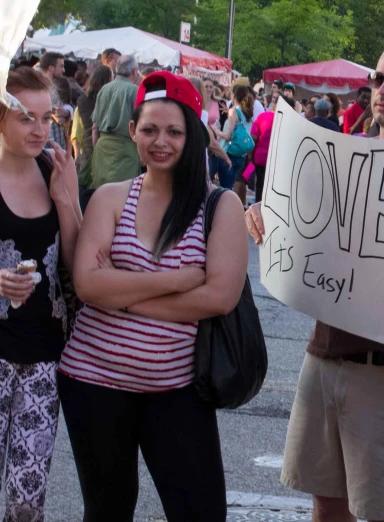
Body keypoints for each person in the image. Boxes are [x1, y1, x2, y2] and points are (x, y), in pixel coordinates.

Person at [246, 34, 384, 522]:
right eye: (377, 78)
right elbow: (301, 222)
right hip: (323, 355)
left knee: (382, 513)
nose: (383, 90)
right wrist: (264, 214)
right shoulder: (343, 151)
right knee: (325, 505)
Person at [57, 71, 247, 521]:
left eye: (175, 131)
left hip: (176, 388)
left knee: (200, 513)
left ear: (194, 135)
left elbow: (219, 296)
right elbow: (87, 284)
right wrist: (179, 280)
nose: (161, 141)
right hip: (93, 380)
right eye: (149, 129)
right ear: (132, 132)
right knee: (107, 510)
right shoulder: (110, 198)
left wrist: (121, 296)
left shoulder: (220, 206)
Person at [0, 66, 82, 522]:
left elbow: (77, 260)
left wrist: (65, 198)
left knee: (27, 503)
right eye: (25, 118)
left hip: (44, 357)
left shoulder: (56, 165)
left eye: (46, 117)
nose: (39, 128)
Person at [89, 54, 141, 193]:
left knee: (101, 195)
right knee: (123, 197)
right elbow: (141, 126)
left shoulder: (104, 89)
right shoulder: (135, 91)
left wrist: (96, 150)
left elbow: (95, 127)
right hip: (125, 150)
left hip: (102, 147)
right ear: (135, 71)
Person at [75, 65, 113, 209]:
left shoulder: (82, 99)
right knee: (97, 180)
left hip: (86, 141)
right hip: (100, 141)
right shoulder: (106, 99)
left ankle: (82, 210)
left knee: (85, 177)